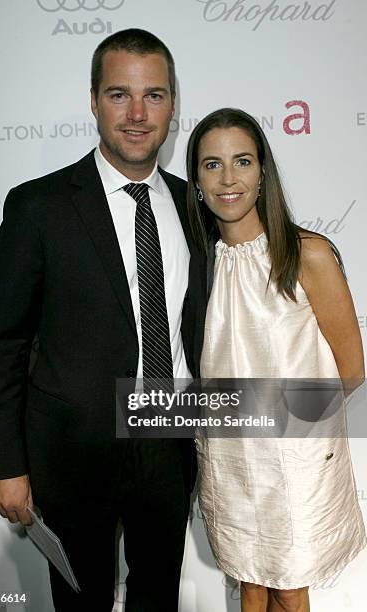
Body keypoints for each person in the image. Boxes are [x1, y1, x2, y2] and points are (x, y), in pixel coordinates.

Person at [0, 29, 204, 612]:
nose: (136, 113)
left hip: (170, 441)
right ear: (94, 100)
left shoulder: (195, 206)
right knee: (81, 603)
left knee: (159, 598)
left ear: (173, 105)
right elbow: (3, 343)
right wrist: (5, 465)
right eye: (118, 94)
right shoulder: (38, 206)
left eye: (153, 95)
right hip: (71, 454)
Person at [186, 107, 366, 612]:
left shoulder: (307, 254)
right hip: (229, 457)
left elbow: (351, 369)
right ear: (196, 179)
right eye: (212, 164)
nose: (228, 178)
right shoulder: (198, 263)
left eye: (242, 161)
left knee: (288, 585)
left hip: (296, 457)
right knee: (249, 582)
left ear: (263, 172)